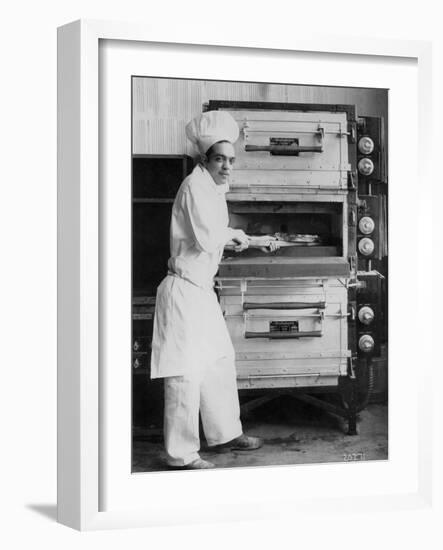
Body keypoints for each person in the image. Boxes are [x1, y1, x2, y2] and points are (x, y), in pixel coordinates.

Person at [150, 110, 264, 470]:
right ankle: (181, 455)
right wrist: (235, 236)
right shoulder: (194, 186)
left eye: (231, 160)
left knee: (219, 362)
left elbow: (213, 238)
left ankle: (226, 433)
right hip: (182, 291)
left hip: (201, 291)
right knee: (185, 374)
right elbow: (207, 237)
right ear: (205, 159)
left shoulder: (212, 190)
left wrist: (252, 240)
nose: (227, 166)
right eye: (220, 159)